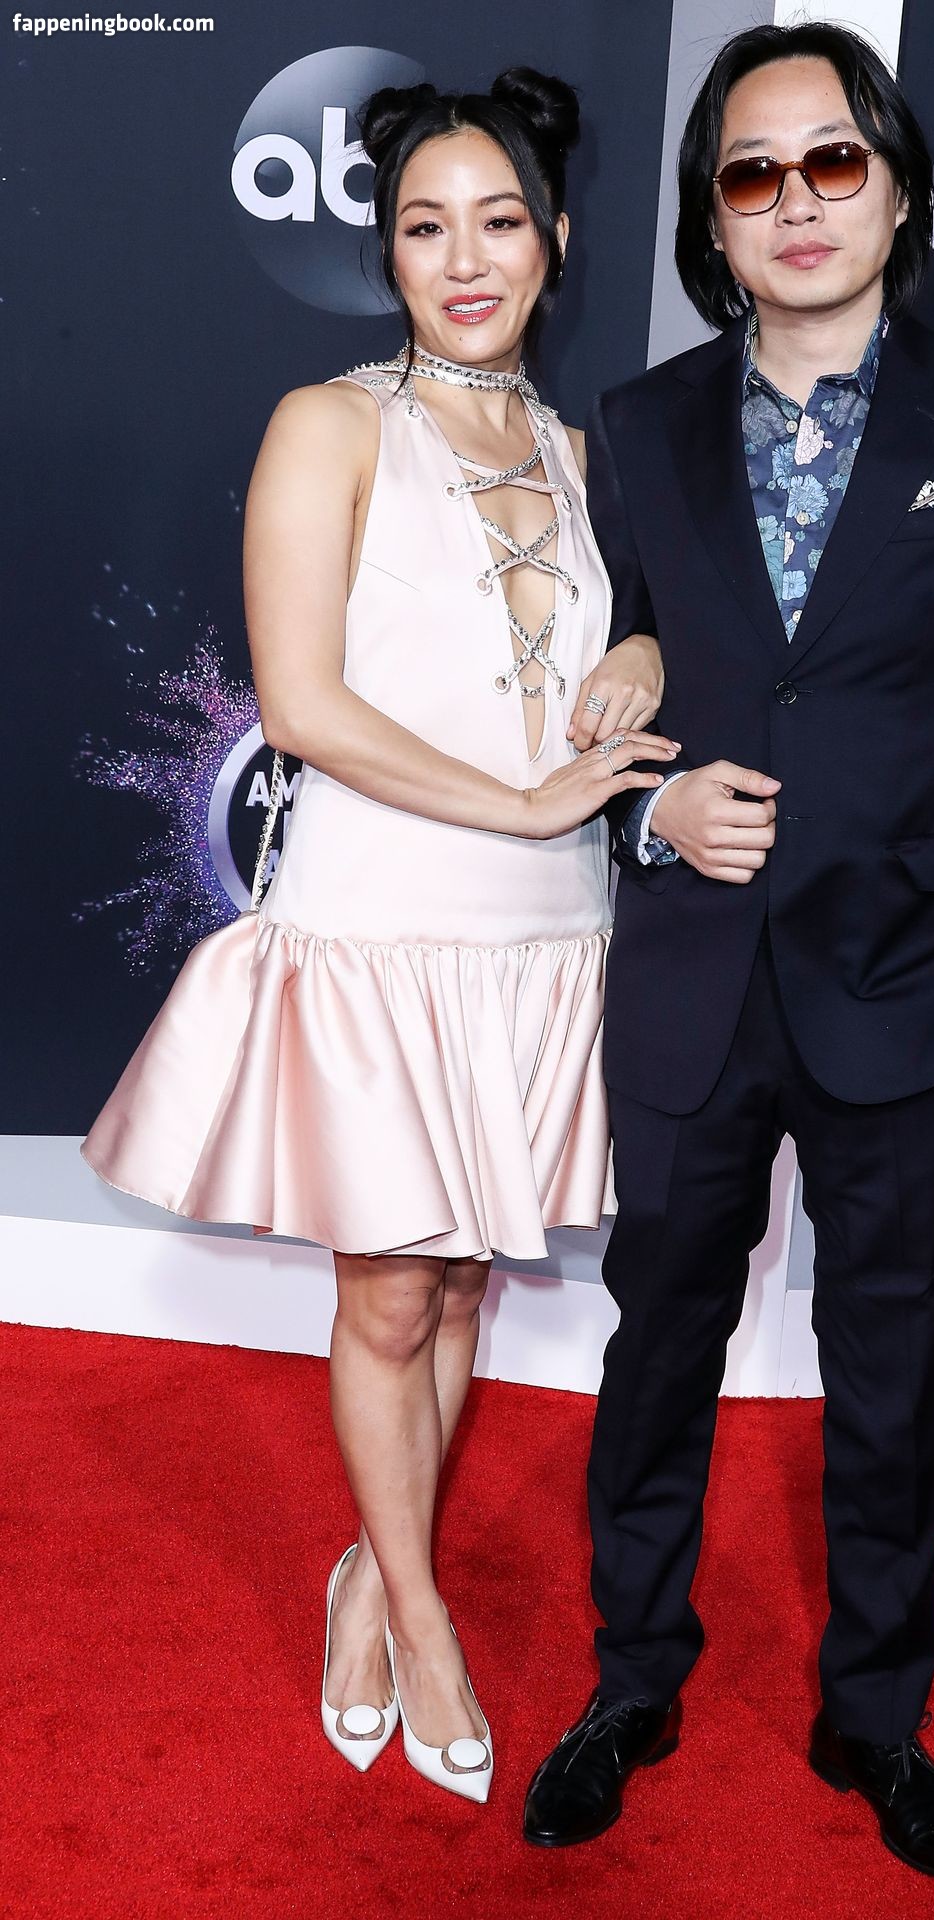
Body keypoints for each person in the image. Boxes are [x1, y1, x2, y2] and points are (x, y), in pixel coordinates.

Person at [524, 23, 934, 1884]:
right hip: (692, 976)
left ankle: (876, 1719)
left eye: (831, 161)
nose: (795, 202)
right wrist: (649, 815)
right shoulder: (635, 428)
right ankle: (631, 1682)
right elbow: (597, 702)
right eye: (752, 173)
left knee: (890, 1368)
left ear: (898, 188)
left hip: (912, 984)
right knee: (658, 1350)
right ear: (711, 218)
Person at [81, 68, 669, 1804]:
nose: (464, 260)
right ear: (388, 254)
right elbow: (304, 705)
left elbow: (632, 652)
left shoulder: (588, 460)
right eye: (425, 227)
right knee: (392, 1289)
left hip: (546, 936)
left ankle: (365, 1567)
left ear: (556, 241)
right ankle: (413, 1612)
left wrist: (639, 658)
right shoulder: (327, 426)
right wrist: (519, 805)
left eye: (499, 223)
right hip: (384, 918)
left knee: (466, 1273)